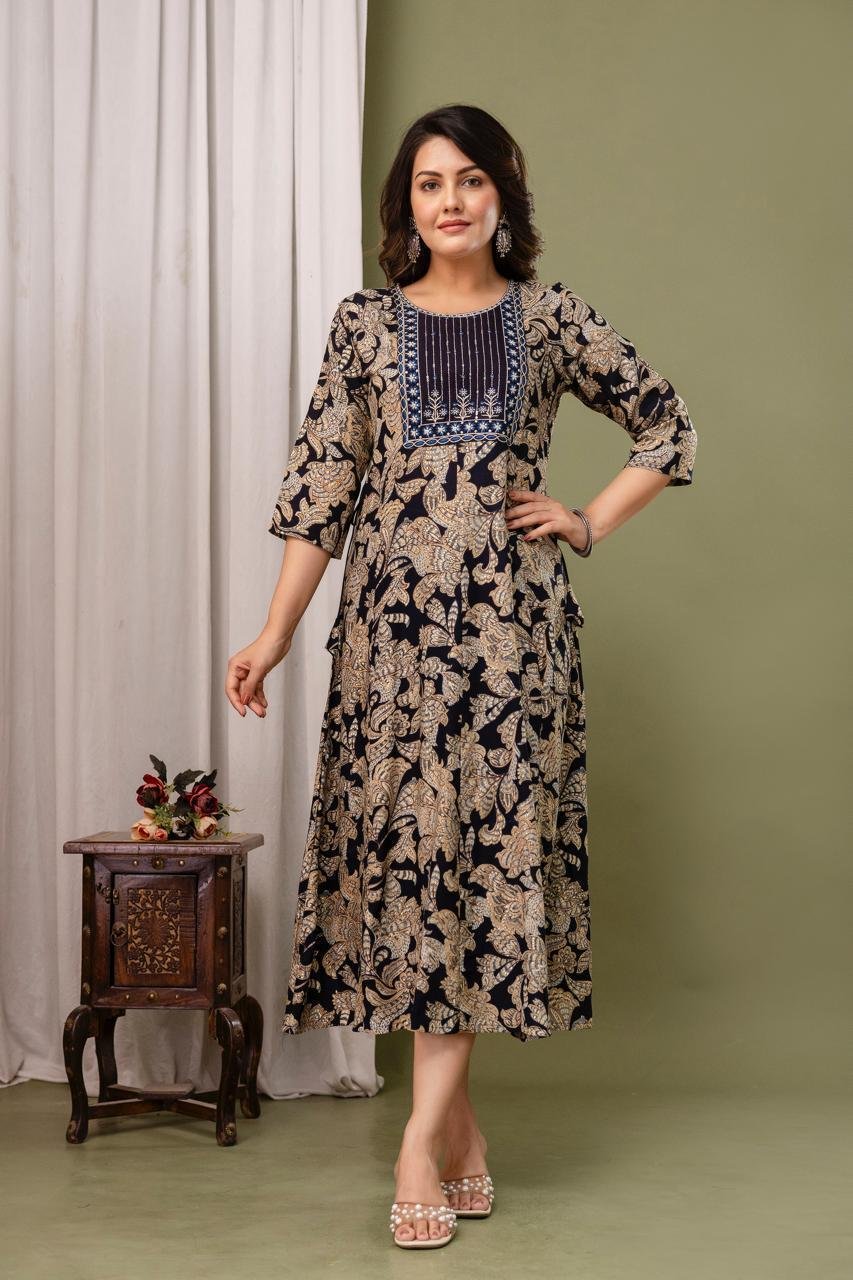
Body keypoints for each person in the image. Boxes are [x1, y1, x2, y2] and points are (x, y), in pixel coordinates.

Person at [225, 103, 697, 1251]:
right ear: (407, 204)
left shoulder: (548, 320)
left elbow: (667, 426)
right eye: (430, 182)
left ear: (503, 196)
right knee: (412, 871)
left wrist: (584, 518)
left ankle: (415, 1143)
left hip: (509, 649)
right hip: (387, 645)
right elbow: (321, 493)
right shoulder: (363, 327)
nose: (450, 200)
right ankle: (461, 1129)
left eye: (471, 180)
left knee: (480, 869)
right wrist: (274, 631)